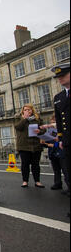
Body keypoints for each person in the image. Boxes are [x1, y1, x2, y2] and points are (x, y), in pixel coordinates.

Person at [14, 104, 46, 188]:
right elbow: (17, 127)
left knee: (36, 165)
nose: (27, 111)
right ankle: (25, 181)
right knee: (25, 164)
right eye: (25, 110)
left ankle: (37, 181)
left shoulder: (37, 119)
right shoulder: (19, 118)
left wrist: (40, 131)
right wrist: (25, 119)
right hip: (24, 145)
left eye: (29, 110)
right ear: (23, 111)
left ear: (32, 110)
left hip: (35, 145)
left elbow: (44, 129)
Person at [51, 62, 70, 197]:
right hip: (67, 141)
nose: (60, 78)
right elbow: (59, 120)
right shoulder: (58, 97)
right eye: (58, 77)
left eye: (63, 75)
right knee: (68, 173)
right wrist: (61, 138)